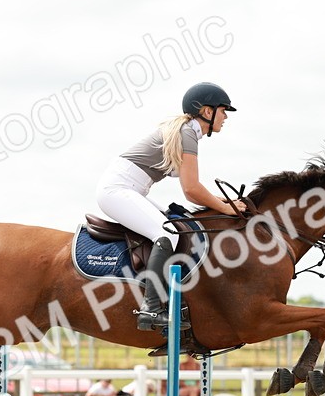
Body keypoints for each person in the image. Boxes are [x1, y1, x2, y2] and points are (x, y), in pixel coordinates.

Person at [95, 82, 247, 333]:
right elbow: (192, 190)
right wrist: (226, 207)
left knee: (175, 227)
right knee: (166, 234)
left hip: (130, 188)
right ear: (207, 112)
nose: (226, 116)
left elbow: (192, 188)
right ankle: (150, 308)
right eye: (223, 110)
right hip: (118, 189)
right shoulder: (188, 132)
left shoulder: (189, 132)